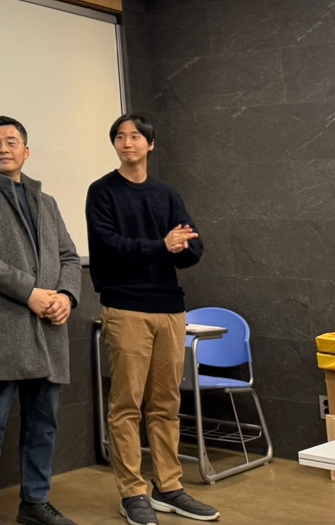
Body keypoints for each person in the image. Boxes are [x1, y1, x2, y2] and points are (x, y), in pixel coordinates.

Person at [87, 114, 218, 525]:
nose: (127, 143)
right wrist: (162, 245)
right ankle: (132, 492)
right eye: (120, 137)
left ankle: (169, 486)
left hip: (171, 309)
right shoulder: (102, 191)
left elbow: (193, 249)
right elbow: (109, 247)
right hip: (126, 307)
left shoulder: (167, 194)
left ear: (150, 144)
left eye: (135, 136)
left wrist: (183, 245)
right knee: (126, 405)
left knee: (166, 404)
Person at [0, 116, 83, 525]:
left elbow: (69, 256)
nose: (3, 148)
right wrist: (30, 292)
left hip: (49, 329)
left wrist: (66, 296)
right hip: (3, 327)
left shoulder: (47, 202)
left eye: (12, 141)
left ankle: (35, 503)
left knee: (43, 424)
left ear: (26, 151)